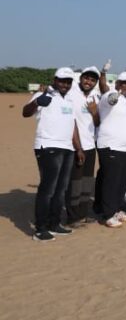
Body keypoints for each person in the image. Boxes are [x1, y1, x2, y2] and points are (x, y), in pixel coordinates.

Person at [23, 67, 83, 241]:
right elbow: (25, 113)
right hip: (47, 146)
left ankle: (54, 224)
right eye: (62, 81)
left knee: (61, 189)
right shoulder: (45, 95)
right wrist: (36, 102)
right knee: (48, 189)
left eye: (68, 82)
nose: (65, 84)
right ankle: (40, 229)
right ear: (55, 80)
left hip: (67, 148)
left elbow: (73, 125)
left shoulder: (70, 100)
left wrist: (78, 148)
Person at [94, 71, 126, 228]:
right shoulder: (111, 95)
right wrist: (115, 94)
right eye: (124, 83)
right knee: (111, 182)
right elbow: (110, 99)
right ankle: (107, 214)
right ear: (118, 83)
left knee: (122, 182)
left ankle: (117, 209)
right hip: (111, 147)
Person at [65, 65, 101, 224]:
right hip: (75, 146)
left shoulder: (96, 97)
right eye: (86, 78)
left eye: (93, 80)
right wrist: (78, 147)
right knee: (75, 183)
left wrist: (94, 112)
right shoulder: (71, 94)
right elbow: (70, 122)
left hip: (90, 146)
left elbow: (98, 123)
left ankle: (82, 214)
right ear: (80, 78)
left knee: (87, 182)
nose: (89, 82)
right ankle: (72, 217)